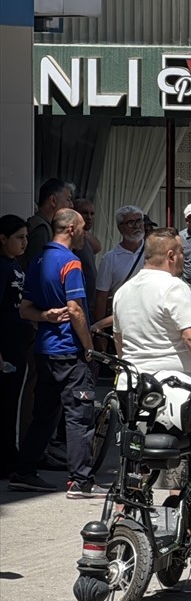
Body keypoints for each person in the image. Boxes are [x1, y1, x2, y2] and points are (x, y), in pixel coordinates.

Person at [112, 228, 191, 556]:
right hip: (171, 392)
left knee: (135, 458)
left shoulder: (124, 291)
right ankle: (189, 533)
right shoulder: (174, 288)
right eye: (181, 253)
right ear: (172, 256)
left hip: (131, 388)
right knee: (185, 457)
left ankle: (122, 517)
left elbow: (120, 343)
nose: (185, 258)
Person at [11, 209, 93, 496]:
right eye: (83, 227)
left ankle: (24, 470)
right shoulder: (71, 263)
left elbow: (25, 309)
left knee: (44, 414)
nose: (85, 232)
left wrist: (45, 316)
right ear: (71, 228)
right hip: (69, 350)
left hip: (44, 349)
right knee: (79, 415)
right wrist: (89, 347)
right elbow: (75, 309)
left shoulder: (37, 260)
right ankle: (80, 481)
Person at [0, 216, 31, 480]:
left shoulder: (15, 264)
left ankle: (9, 456)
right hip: (5, 346)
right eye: (19, 237)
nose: (24, 243)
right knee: (5, 405)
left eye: (26, 237)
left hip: (19, 342)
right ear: (3, 239)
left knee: (11, 405)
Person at [93, 205, 146, 329]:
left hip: (152, 321)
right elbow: (101, 298)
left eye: (139, 221)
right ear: (120, 228)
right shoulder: (109, 259)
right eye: (131, 222)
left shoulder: (154, 252)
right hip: (122, 324)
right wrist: (100, 331)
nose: (137, 226)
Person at [22, 178, 71, 270]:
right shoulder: (41, 229)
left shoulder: (43, 225)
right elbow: (39, 269)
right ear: (53, 200)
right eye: (68, 199)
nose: (71, 205)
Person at [72, 197, 100, 310]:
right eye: (84, 213)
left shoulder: (85, 237)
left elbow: (98, 247)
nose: (89, 217)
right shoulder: (72, 239)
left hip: (89, 304)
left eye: (92, 214)